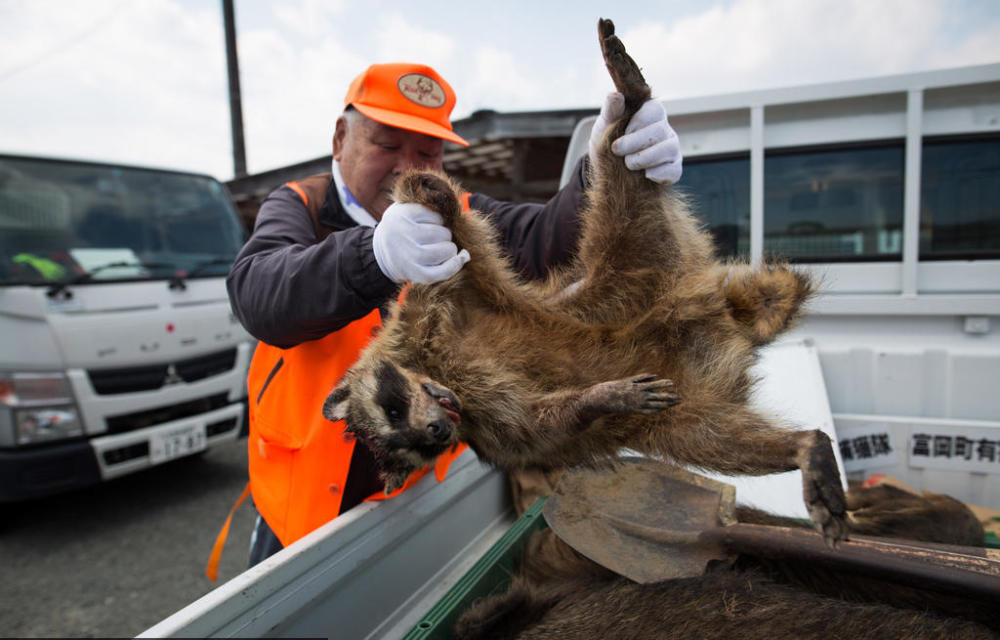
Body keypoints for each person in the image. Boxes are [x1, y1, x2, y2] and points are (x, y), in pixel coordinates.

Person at [225, 62, 683, 566]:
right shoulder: (299, 207)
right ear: (340, 138)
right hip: (302, 510)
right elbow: (259, 294)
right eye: (387, 144)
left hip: (419, 498)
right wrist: (371, 255)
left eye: (426, 151)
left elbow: (544, 238)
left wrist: (603, 170)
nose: (406, 166)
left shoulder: (455, 211)